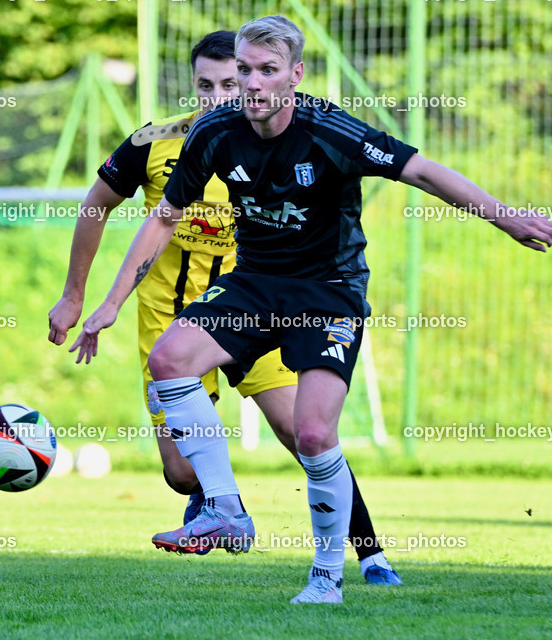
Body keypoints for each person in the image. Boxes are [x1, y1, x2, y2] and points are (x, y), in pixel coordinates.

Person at [49, 30, 400, 584]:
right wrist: (77, 295)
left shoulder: (258, 140)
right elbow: (97, 205)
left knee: (304, 431)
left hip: (252, 308)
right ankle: (217, 509)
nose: (217, 96)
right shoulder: (157, 143)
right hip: (171, 317)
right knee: (180, 471)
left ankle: (370, 552)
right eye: (205, 85)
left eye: (229, 83)